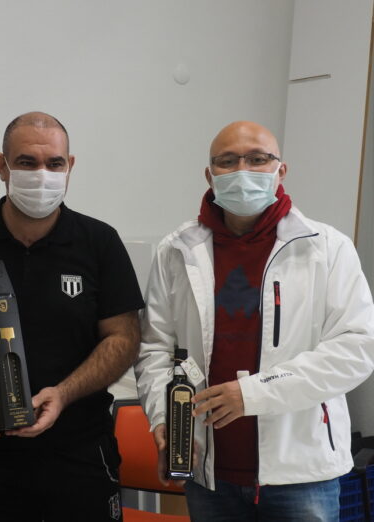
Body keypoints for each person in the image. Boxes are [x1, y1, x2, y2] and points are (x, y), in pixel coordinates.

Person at [0, 112, 144, 521]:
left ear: (70, 166)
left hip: (80, 450)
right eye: (26, 162)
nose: (42, 175)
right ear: (2, 166)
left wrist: (64, 393)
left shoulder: (99, 242)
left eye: (54, 163)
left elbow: (123, 338)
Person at [135, 121, 374, 521]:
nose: (242, 170)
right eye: (227, 161)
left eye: (258, 159)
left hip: (300, 473)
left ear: (281, 170)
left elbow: (356, 349)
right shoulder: (177, 250)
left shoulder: (327, 248)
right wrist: (165, 422)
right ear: (209, 175)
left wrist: (252, 395)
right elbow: (156, 348)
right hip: (209, 473)